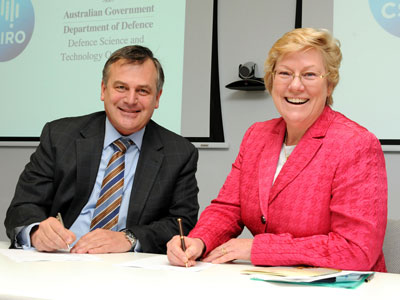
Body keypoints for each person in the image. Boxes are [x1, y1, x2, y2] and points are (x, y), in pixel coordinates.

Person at [167, 28, 387, 271]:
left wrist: (258, 249)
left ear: (330, 85)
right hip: (265, 281)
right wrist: (199, 240)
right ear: (272, 81)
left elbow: (356, 250)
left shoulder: (355, 143)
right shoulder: (256, 136)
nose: (295, 85)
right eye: (285, 73)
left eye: (310, 75)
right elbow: (228, 208)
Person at [5, 45, 199, 254]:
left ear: (157, 98)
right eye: (121, 88)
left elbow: (181, 223)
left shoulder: (179, 153)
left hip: (128, 268)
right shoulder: (60, 136)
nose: (130, 100)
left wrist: (129, 238)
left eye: (142, 90)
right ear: (103, 90)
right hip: (61, 260)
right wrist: (36, 232)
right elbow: (22, 207)